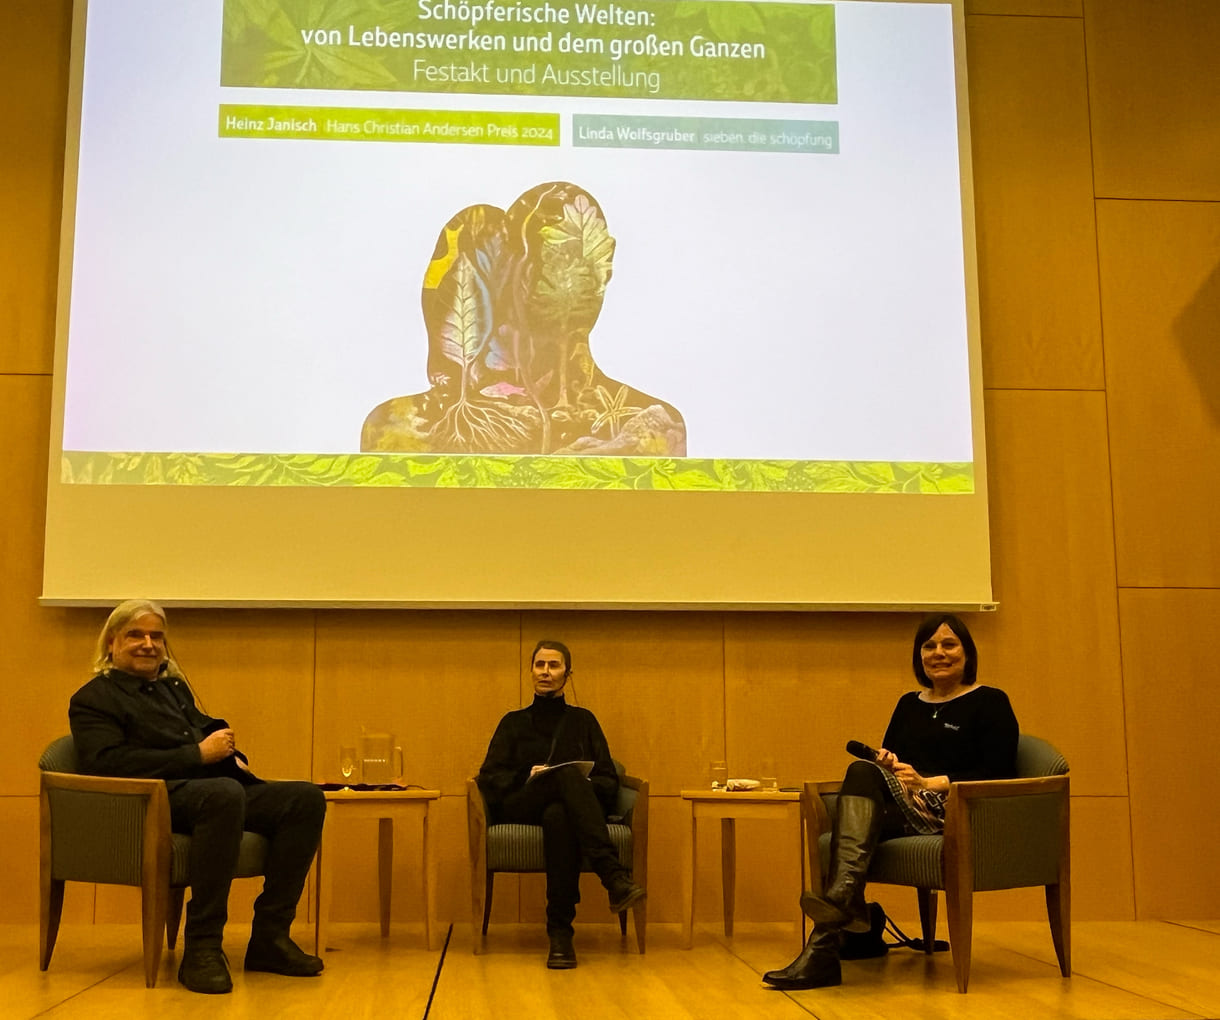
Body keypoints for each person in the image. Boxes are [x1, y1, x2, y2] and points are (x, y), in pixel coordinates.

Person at [68, 600, 327, 995]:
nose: (148, 644)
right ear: (110, 643)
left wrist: (226, 750)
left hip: (208, 792)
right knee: (222, 795)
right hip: (151, 800)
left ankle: (270, 938)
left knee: (304, 798)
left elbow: (199, 732)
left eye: (156, 636)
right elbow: (108, 762)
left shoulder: (172, 687)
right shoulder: (93, 698)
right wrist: (197, 755)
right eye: (135, 635)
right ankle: (203, 946)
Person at [763, 613, 1019, 990]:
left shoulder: (991, 701)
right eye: (929, 646)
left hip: (952, 809)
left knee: (857, 786)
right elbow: (892, 765)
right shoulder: (908, 703)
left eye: (949, 645)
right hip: (903, 805)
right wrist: (890, 763)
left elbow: (998, 771)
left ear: (967, 652)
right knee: (865, 774)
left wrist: (932, 781)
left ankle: (837, 929)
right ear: (919, 656)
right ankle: (849, 923)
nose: (939, 653)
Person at [476, 640, 645, 969]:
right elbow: (489, 778)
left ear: (568, 673)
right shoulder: (512, 722)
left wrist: (575, 783)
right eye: (540, 665)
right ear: (530, 671)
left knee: (560, 813)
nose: (545, 672)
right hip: (521, 802)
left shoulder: (584, 721)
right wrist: (529, 775)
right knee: (565, 778)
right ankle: (612, 875)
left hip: (567, 811)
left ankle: (560, 936)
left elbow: (609, 780)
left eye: (554, 665)